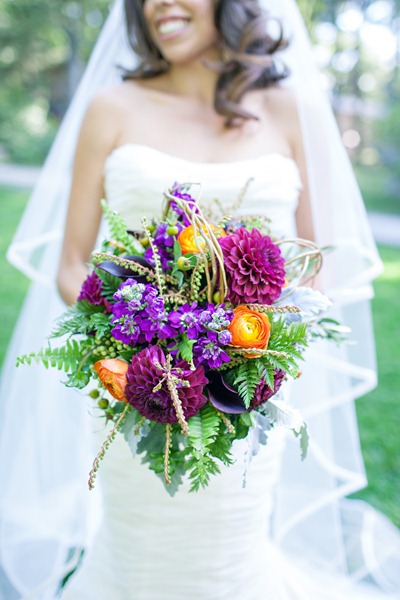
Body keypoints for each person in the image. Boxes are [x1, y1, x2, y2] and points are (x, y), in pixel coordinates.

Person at [1, 0, 399, 598]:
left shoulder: (290, 110)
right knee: (138, 552)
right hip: (140, 391)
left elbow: (322, 262)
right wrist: (134, 338)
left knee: (228, 557)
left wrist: (250, 352)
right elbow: (71, 264)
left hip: (244, 394)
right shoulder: (111, 108)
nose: (158, 3)